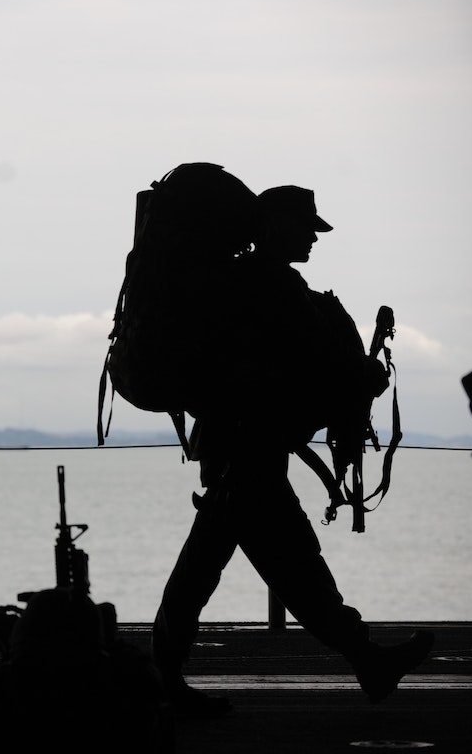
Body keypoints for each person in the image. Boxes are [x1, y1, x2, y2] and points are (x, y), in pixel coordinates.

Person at [150, 184, 434, 717]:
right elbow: (324, 357)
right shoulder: (273, 285)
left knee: (223, 568)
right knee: (291, 567)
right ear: (275, 227)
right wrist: (370, 373)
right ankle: (365, 658)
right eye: (305, 228)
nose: (312, 238)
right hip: (248, 450)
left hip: (237, 447)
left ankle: (162, 675)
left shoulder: (243, 283)